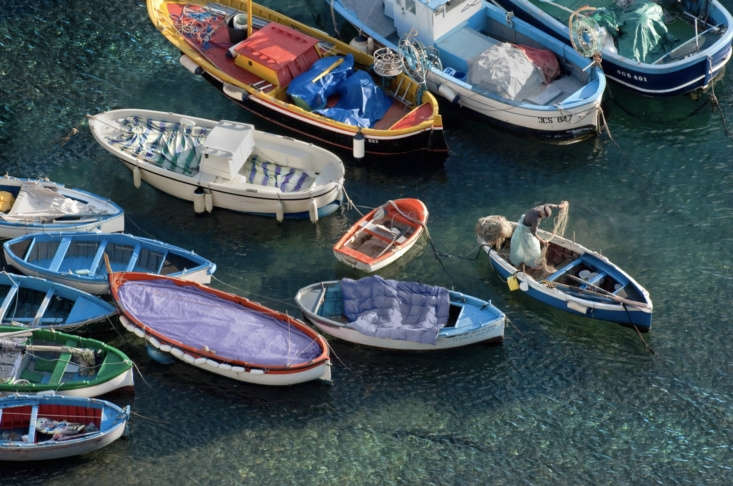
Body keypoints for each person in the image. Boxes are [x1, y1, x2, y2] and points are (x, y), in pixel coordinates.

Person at [510, 201, 568, 271]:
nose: (543, 218)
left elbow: (552, 206)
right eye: (544, 217)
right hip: (525, 230)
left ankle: (527, 259)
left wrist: (561, 206)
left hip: (525, 220)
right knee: (535, 248)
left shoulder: (544, 207)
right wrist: (542, 241)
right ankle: (531, 264)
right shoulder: (536, 219)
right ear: (543, 213)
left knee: (524, 244)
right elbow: (533, 232)